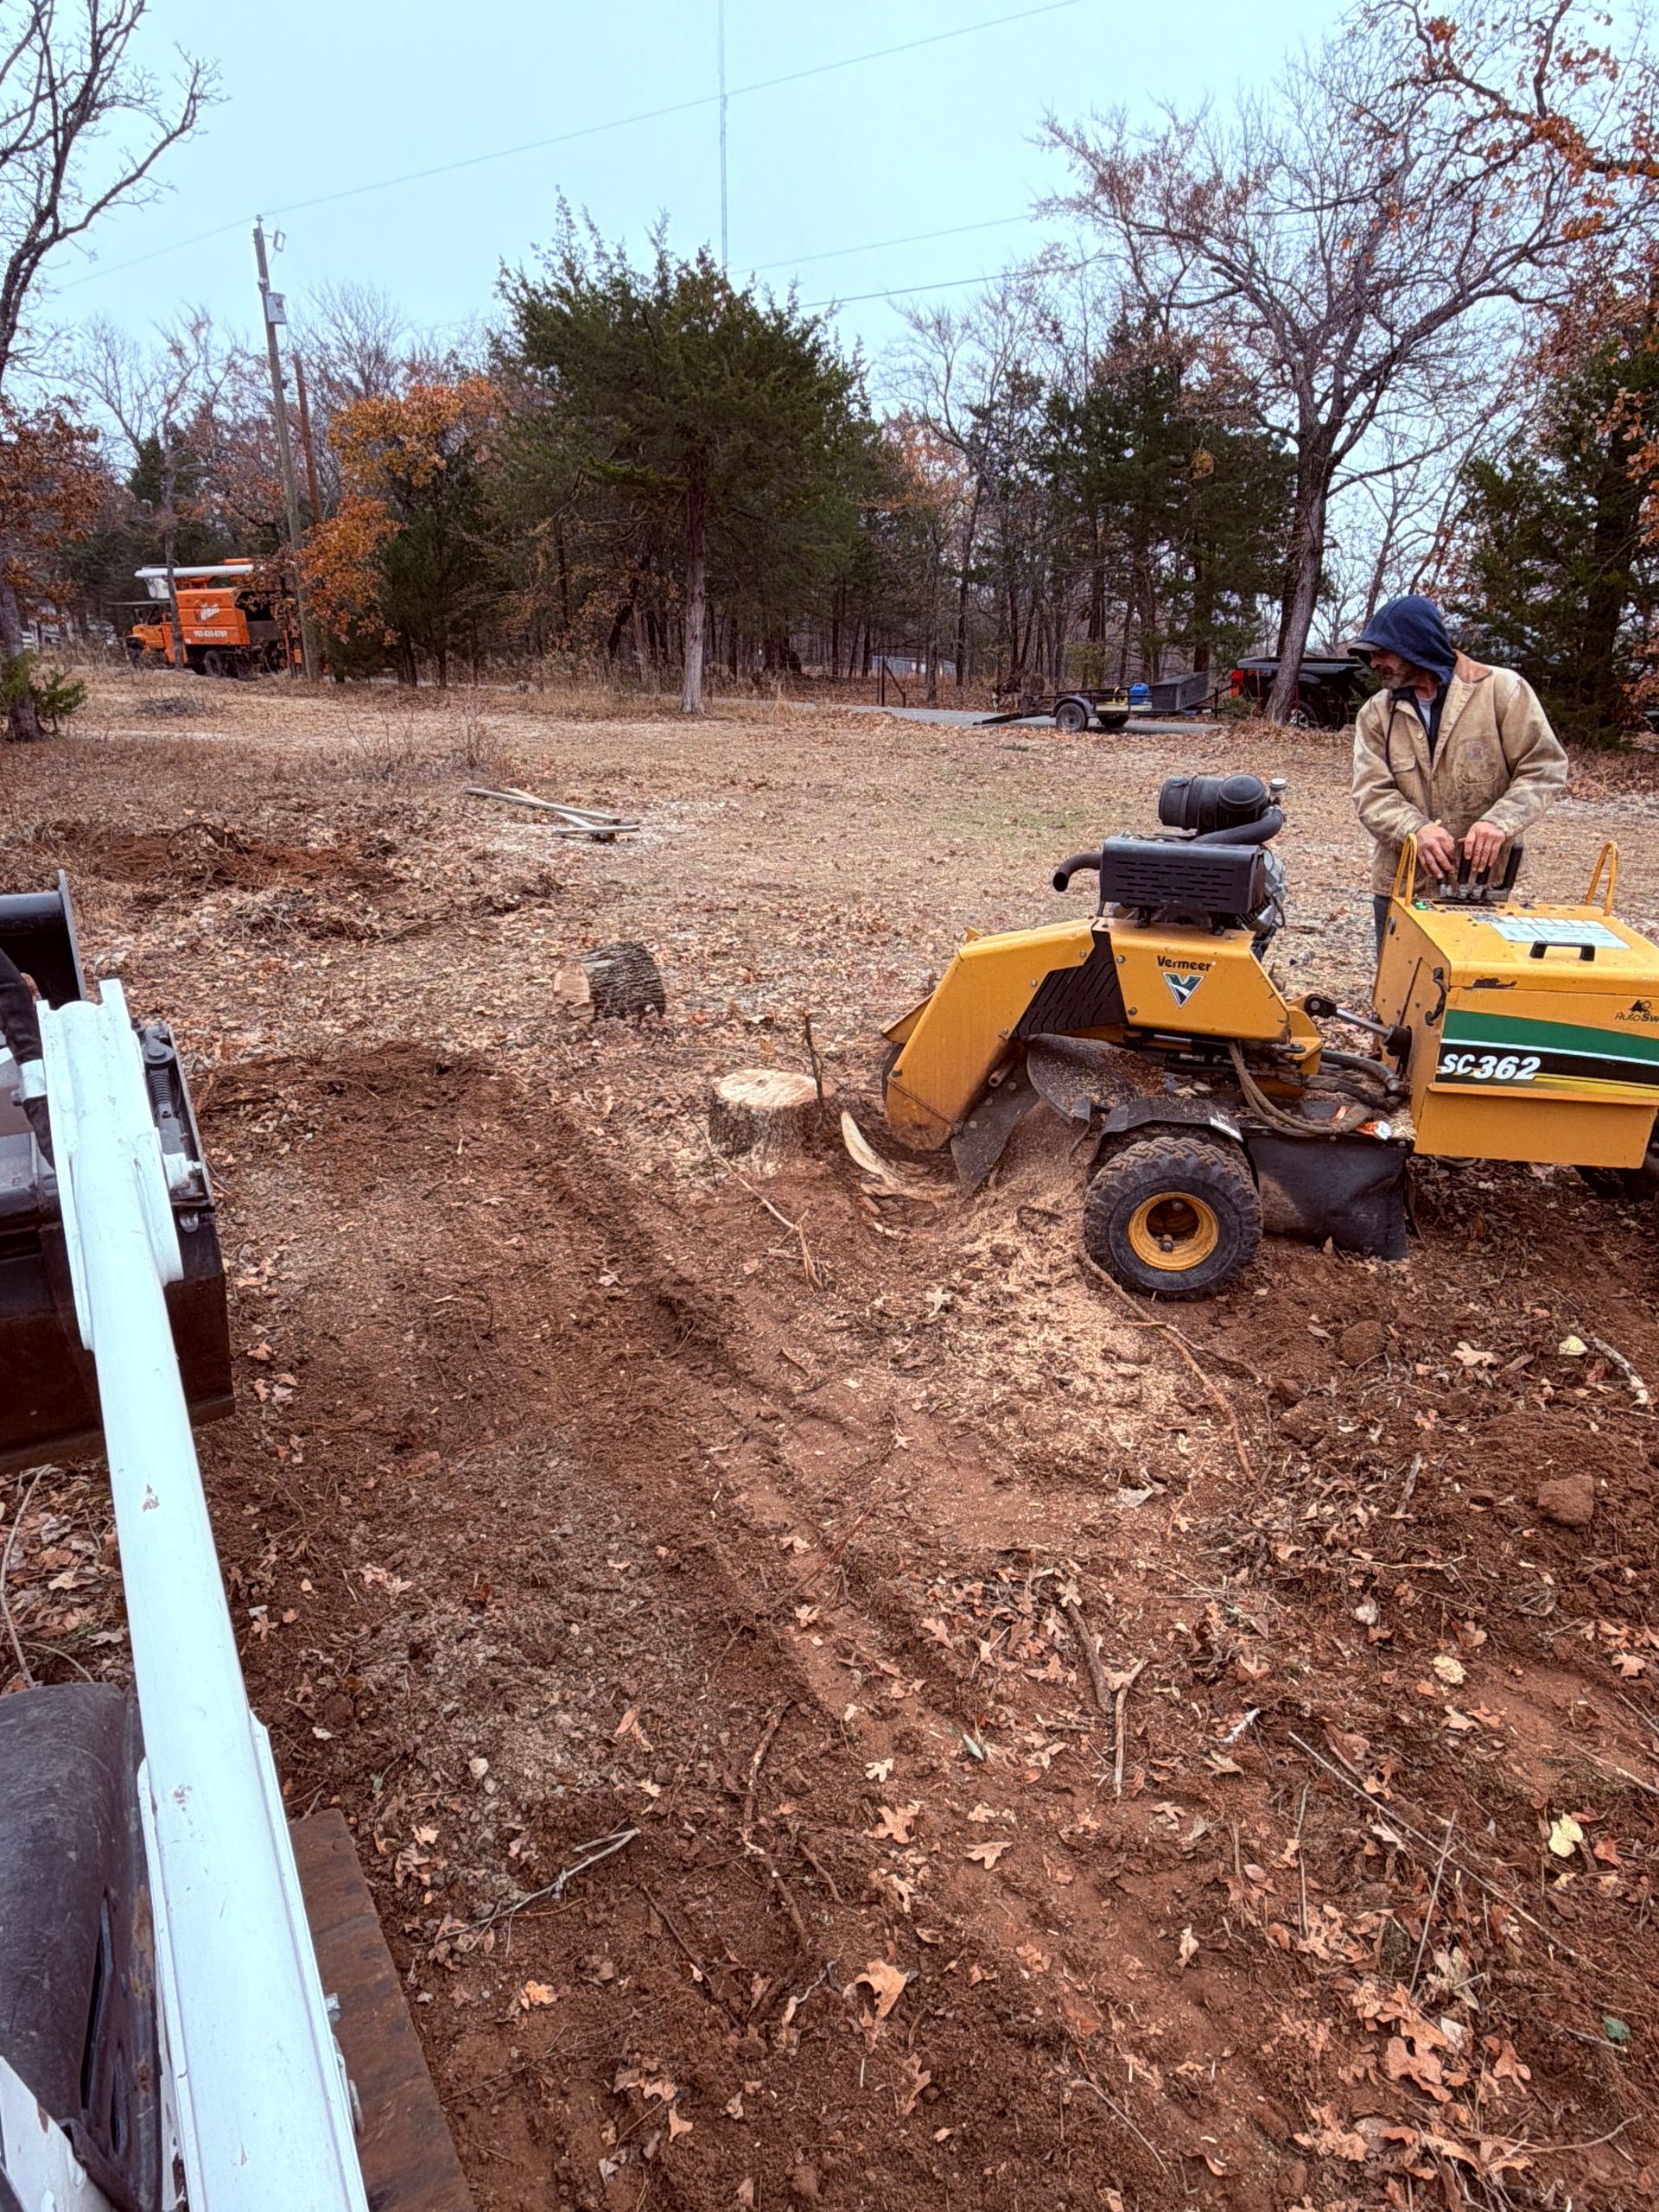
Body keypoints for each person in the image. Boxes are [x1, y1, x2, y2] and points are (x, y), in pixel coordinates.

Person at [1349, 594, 1567, 952]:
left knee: (1473, 993)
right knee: (1397, 998)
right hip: (1402, 886)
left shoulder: (1501, 690)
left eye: (1381, 652)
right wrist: (1414, 828)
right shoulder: (1375, 715)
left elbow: (1543, 767)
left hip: (1482, 883)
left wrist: (1499, 822)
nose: (1374, 663)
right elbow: (1371, 792)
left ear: (1413, 645)